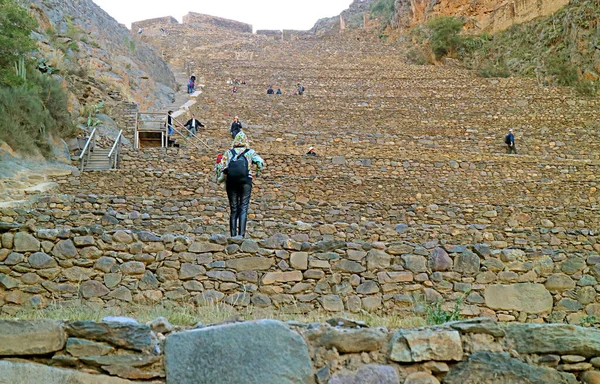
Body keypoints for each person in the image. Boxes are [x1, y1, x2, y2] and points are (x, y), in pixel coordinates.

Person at [217, 131, 265, 238]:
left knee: (233, 209)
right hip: (245, 181)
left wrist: (219, 177)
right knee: (243, 207)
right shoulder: (250, 152)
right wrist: (257, 171)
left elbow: (220, 167)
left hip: (231, 181)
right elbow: (260, 163)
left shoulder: (229, 152)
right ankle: (241, 235)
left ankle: (233, 235)